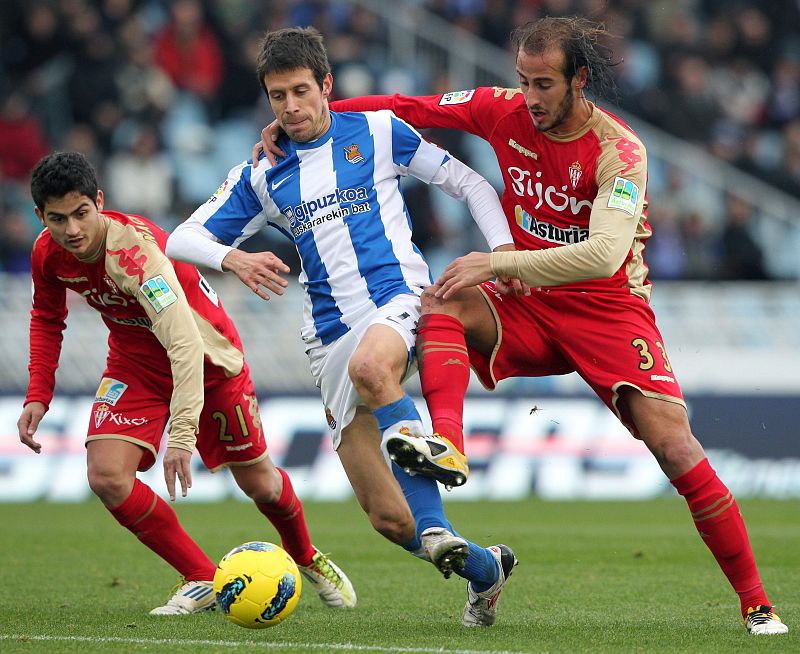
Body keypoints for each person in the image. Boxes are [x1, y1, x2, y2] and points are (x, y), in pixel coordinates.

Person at [257, 16, 789, 637]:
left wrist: (498, 258)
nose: (529, 98)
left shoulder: (620, 151)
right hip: (527, 303)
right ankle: (447, 442)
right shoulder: (500, 110)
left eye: (543, 84)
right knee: (442, 300)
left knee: (675, 449)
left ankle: (756, 603)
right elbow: (405, 105)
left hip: (607, 310)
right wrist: (311, 117)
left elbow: (602, 255)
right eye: (522, 82)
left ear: (578, 80)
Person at [167, 27, 518, 627]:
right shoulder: (263, 172)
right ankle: (485, 572)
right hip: (327, 338)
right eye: (277, 96)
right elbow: (182, 237)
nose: (291, 107)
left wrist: (504, 251)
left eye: (301, 91)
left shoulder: (377, 131)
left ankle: (437, 509)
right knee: (387, 518)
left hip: (398, 302)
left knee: (373, 367)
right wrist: (236, 257)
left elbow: (470, 183)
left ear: (327, 85)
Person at [18, 151, 355, 616]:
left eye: (81, 213)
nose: (72, 230)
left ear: (99, 201)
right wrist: (38, 394)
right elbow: (46, 317)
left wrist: (181, 433)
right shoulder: (46, 253)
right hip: (134, 364)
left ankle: (306, 556)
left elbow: (183, 345)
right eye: (58, 219)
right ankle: (201, 577)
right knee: (106, 477)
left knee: (261, 486)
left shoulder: (137, 258)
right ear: (40, 216)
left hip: (208, 360)